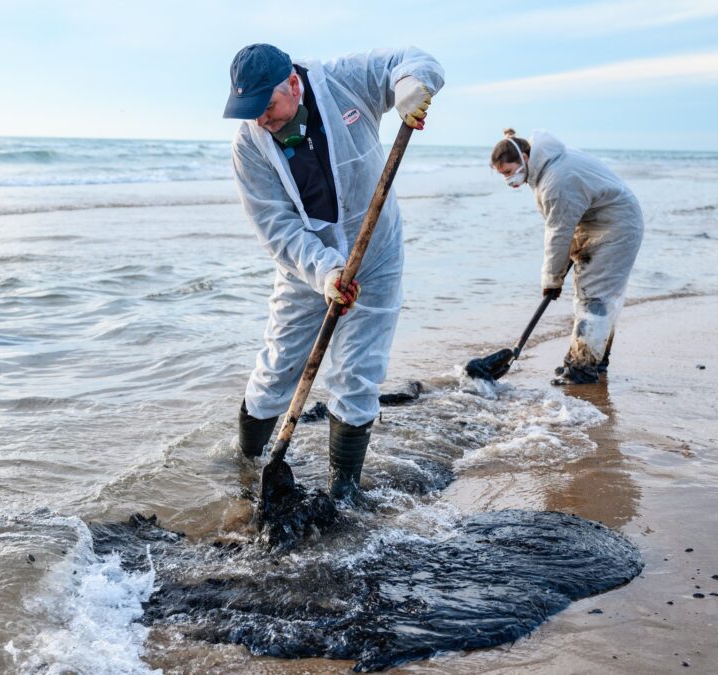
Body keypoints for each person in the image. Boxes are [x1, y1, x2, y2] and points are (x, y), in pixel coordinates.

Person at [223, 43, 444, 500]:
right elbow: (275, 227)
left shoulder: (343, 81)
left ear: (292, 83)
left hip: (376, 254)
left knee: (356, 375)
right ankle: (245, 471)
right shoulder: (249, 143)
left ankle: (344, 493)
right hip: (305, 264)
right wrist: (325, 272)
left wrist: (408, 87)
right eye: (251, 111)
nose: (262, 119)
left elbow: (410, 62)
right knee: (276, 370)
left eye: (268, 106)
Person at [491, 129, 643, 385]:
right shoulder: (548, 164)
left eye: (508, 172)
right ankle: (592, 362)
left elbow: (558, 233)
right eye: (502, 175)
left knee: (594, 296)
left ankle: (582, 369)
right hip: (595, 221)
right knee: (593, 295)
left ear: (525, 158)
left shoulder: (556, 181)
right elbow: (565, 223)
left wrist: (551, 279)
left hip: (616, 227)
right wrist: (558, 272)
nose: (508, 179)